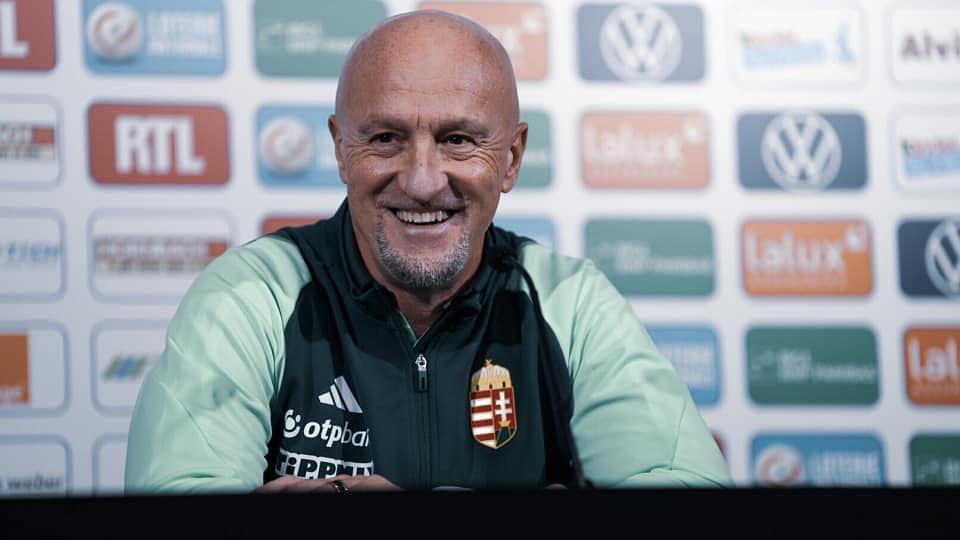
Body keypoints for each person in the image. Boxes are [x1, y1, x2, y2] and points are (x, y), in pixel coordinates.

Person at [124, 10, 731, 493]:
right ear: (341, 149)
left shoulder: (568, 302)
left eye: (458, 140)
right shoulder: (252, 293)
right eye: (386, 138)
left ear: (512, 158)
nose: (420, 181)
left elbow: (691, 508)